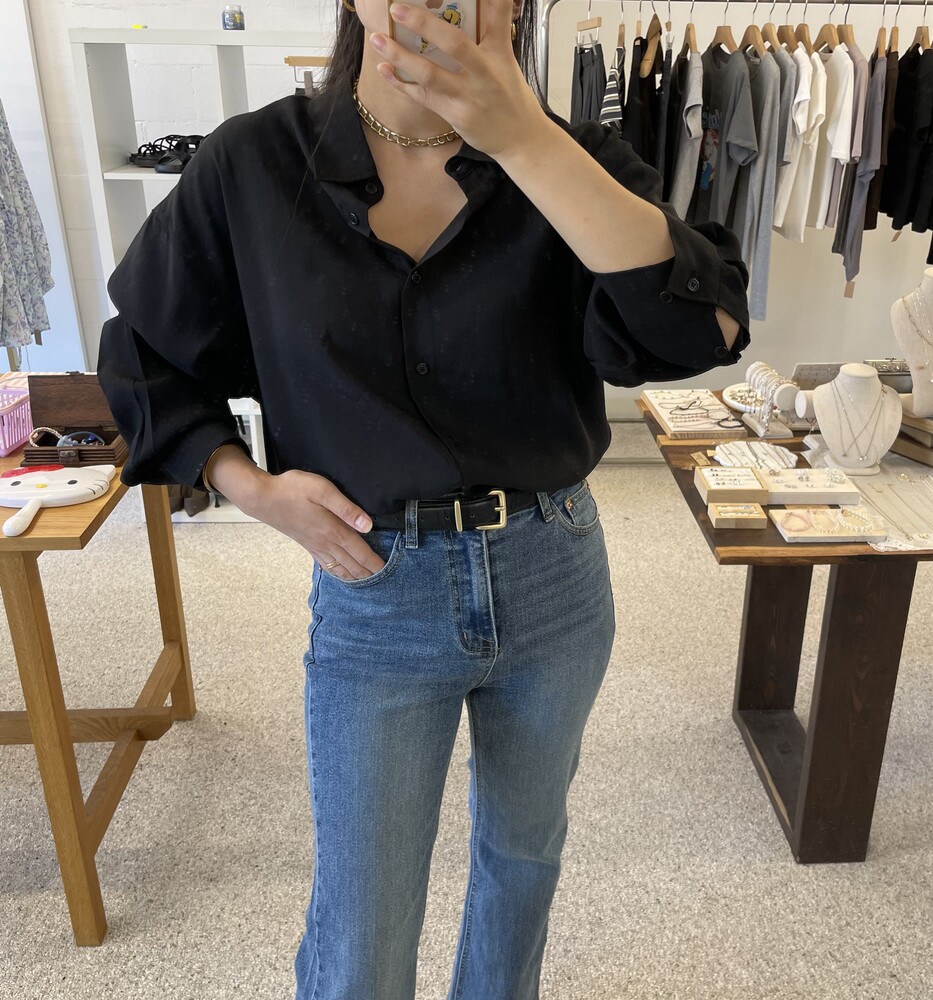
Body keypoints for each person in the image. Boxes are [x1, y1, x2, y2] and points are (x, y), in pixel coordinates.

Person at [97, 0, 750, 996]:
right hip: (376, 590)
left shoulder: (572, 159)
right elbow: (143, 351)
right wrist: (250, 487)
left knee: (523, 860)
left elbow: (702, 329)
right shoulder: (255, 164)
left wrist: (524, 141)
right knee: (364, 924)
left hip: (554, 574)